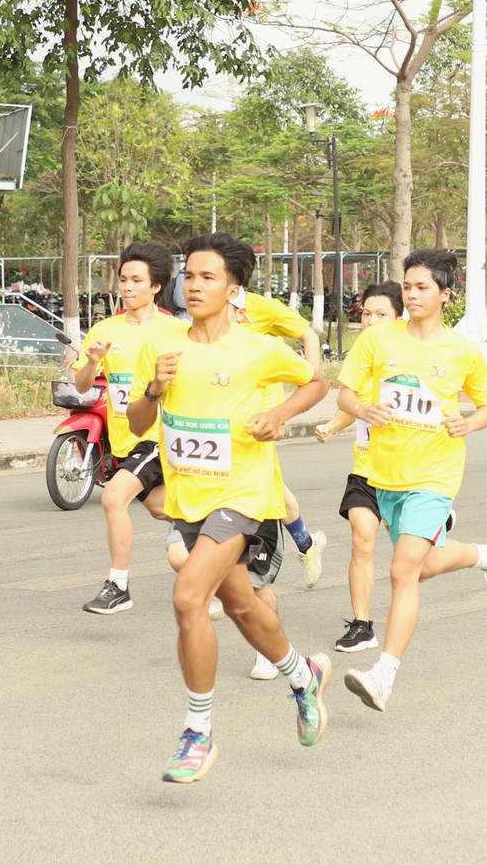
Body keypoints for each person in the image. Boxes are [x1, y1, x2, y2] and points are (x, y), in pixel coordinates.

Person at [126, 232, 331, 784]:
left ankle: (198, 732)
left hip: (244, 496)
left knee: (188, 596)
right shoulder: (165, 347)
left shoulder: (256, 346)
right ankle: (302, 676)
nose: (193, 286)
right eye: (188, 276)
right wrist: (152, 388)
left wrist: (282, 413)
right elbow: (138, 424)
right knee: (241, 607)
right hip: (190, 499)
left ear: (234, 287)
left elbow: (315, 382)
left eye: (207, 276)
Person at [338, 249, 487, 712]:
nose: (412, 294)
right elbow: (345, 391)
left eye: (422, 287)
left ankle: (384, 674)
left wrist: (468, 424)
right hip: (383, 474)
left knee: (401, 572)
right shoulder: (379, 340)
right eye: (407, 286)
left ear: (445, 294)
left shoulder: (462, 351)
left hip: (435, 476)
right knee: (423, 566)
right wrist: (363, 409)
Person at [76, 243, 185, 614]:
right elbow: (81, 385)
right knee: (163, 509)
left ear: (155, 286)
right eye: (123, 279)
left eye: (137, 280)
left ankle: (118, 586)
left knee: (112, 498)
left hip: (157, 437)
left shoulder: (176, 330)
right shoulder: (105, 329)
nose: (127, 287)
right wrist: (92, 362)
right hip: (123, 441)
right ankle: (233, 529)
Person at [313, 282, 405, 653]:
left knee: (418, 561)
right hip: (366, 472)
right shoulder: (362, 357)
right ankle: (363, 625)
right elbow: (352, 401)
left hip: (406, 474)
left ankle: (485, 553)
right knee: (361, 541)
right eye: (367, 313)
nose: (371, 320)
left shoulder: (410, 357)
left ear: (400, 317)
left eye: (381, 314)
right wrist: (332, 426)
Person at [230, 285, 327, 586]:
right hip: (229, 407)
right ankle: (307, 544)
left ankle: (240, 569)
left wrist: (307, 383)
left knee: (261, 483)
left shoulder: (264, 308)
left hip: (263, 414)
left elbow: (308, 335)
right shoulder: (205, 308)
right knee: (270, 485)